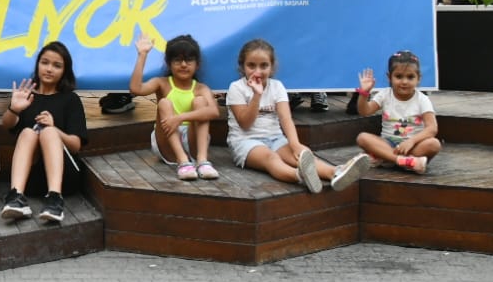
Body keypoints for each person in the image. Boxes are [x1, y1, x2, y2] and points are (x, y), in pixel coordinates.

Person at [225, 39, 367, 193]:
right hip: (246, 141)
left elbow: (286, 119)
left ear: (272, 67)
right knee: (271, 158)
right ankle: (299, 175)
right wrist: (256, 95)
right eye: (251, 65)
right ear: (242, 67)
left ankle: (335, 172)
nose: (257, 71)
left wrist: (295, 145)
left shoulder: (277, 86)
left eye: (264, 65)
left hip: (275, 138)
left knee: (302, 154)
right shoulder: (236, 88)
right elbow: (245, 123)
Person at [0, 42, 86, 225]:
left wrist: (55, 130)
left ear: (65, 70)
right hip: (30, 179)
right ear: (37, 64)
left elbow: (76, 146)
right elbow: (7, 125)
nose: (49, 69)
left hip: (64, 177)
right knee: (28, 133)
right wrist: (14, 109)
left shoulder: (70, 99)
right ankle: (16, 196)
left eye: (57, 65)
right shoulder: (27, 95)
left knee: (48, 132)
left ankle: (55, 199)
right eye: (45, 62)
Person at [130, 34, 218, 181]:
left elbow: (214, 111)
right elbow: (135, 89)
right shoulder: (162, 83)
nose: (183, 65)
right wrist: (142, 55)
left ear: (197, 64)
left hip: (193, 139)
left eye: (188, 60)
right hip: (167, 141)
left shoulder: (201, 88)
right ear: (169, 63)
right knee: (164, 103)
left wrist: (180, 118)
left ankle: (202, 160)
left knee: (201, 102)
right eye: (177, 60)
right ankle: (183, 162)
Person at [355, 50, 441, 174]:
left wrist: (411, 141)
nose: (404, 82)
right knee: (362, 138)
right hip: (388, 143)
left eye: (410, 77)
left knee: (434, 144)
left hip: (412, 146)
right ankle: (404, 161)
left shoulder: (422, 99)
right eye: (399, 76)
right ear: (389, 77)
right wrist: (364, 93)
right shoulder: (385, 94)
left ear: (419, 78)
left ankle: (386, 158)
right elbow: (365, 111)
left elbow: (432, 128)